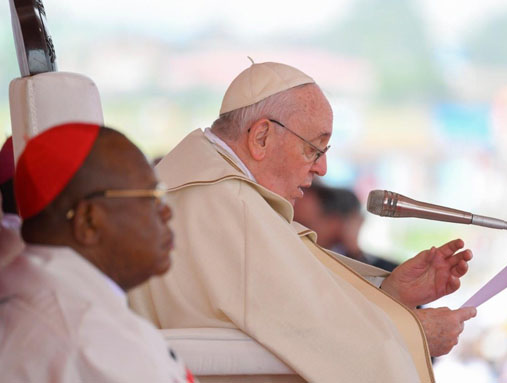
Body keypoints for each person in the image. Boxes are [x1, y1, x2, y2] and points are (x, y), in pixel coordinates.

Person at [129, 62, 476, 382]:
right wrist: (414, 334)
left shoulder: (199, 190)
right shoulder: (230, 205)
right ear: (261, 137)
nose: (321, 169)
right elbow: (312, 334)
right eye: (314, 149)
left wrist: (390, 295)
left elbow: (295, 313)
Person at [0, 123, 194, 383]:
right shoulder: (95, 343)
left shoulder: (27, 293)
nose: (166, 212)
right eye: (151, 196)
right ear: (89, 221)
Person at [294, 182, 399, 271]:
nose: (295, 229)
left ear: (335, 222)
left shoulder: (383, 271)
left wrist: (355, 252)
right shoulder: (294, 258)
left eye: (303, 224)